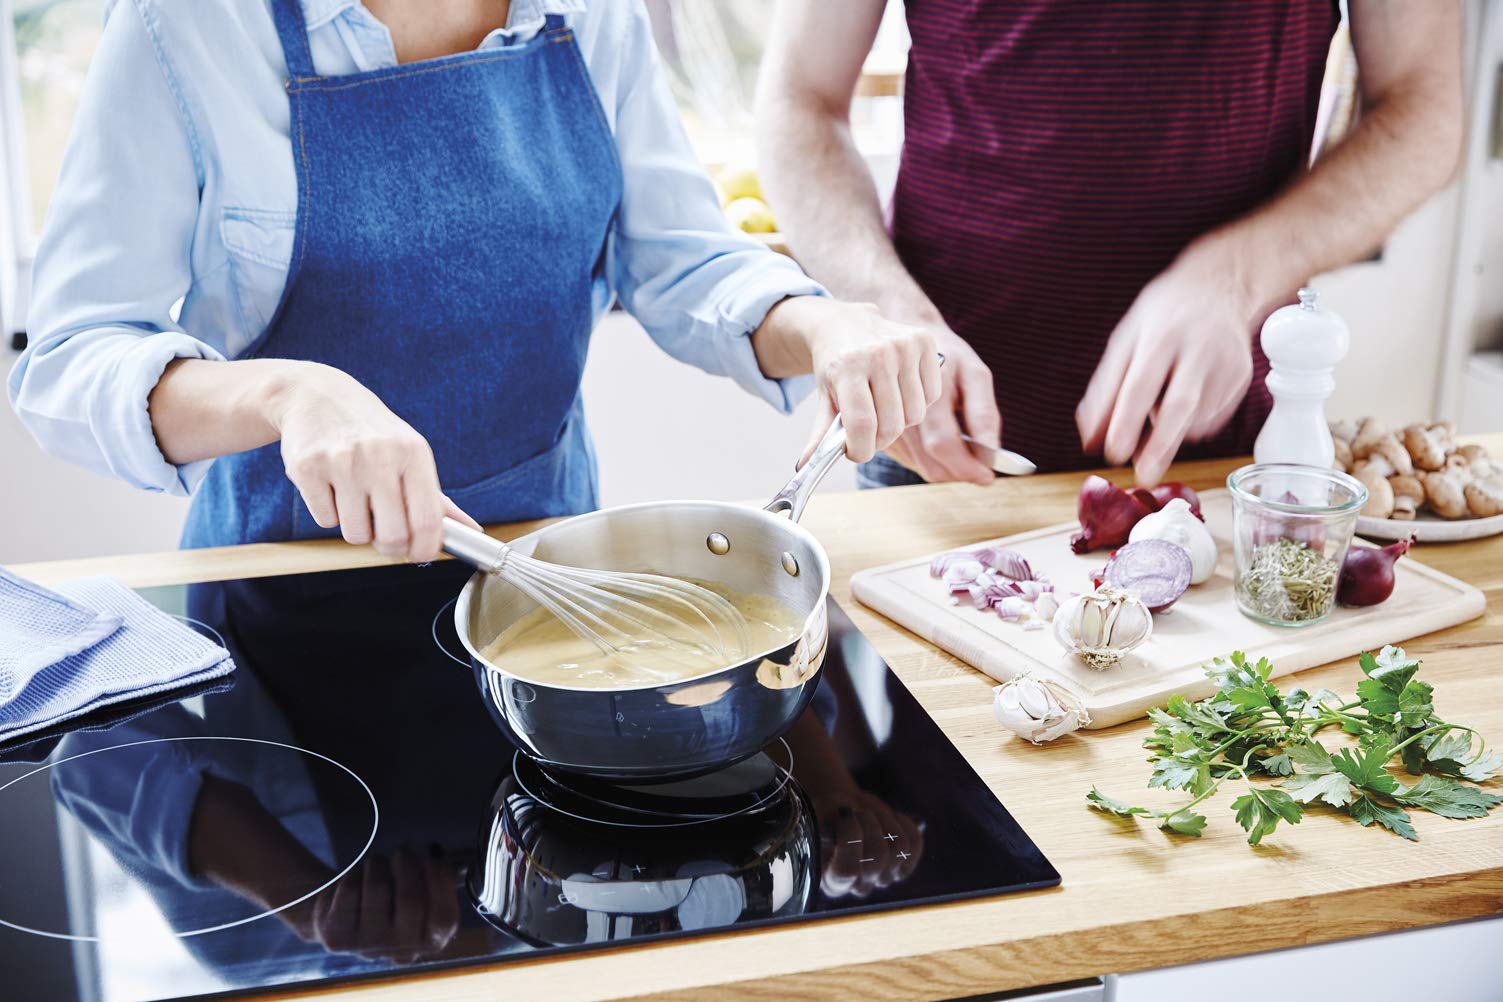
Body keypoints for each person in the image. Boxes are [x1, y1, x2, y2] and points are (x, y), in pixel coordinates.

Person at [8, 0, 943, 562]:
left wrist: (822, 324)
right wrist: (290, 391)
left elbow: (678, 258)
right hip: (280, 595)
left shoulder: (588, 10)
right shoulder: (191, 26)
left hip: (546, 568)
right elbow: (68, 360)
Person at [756, 1, 1462, 488]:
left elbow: (1420, 109)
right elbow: (799, 102)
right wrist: (883, 304)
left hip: (1219, 454)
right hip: (935, 437)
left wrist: (1235, 276)